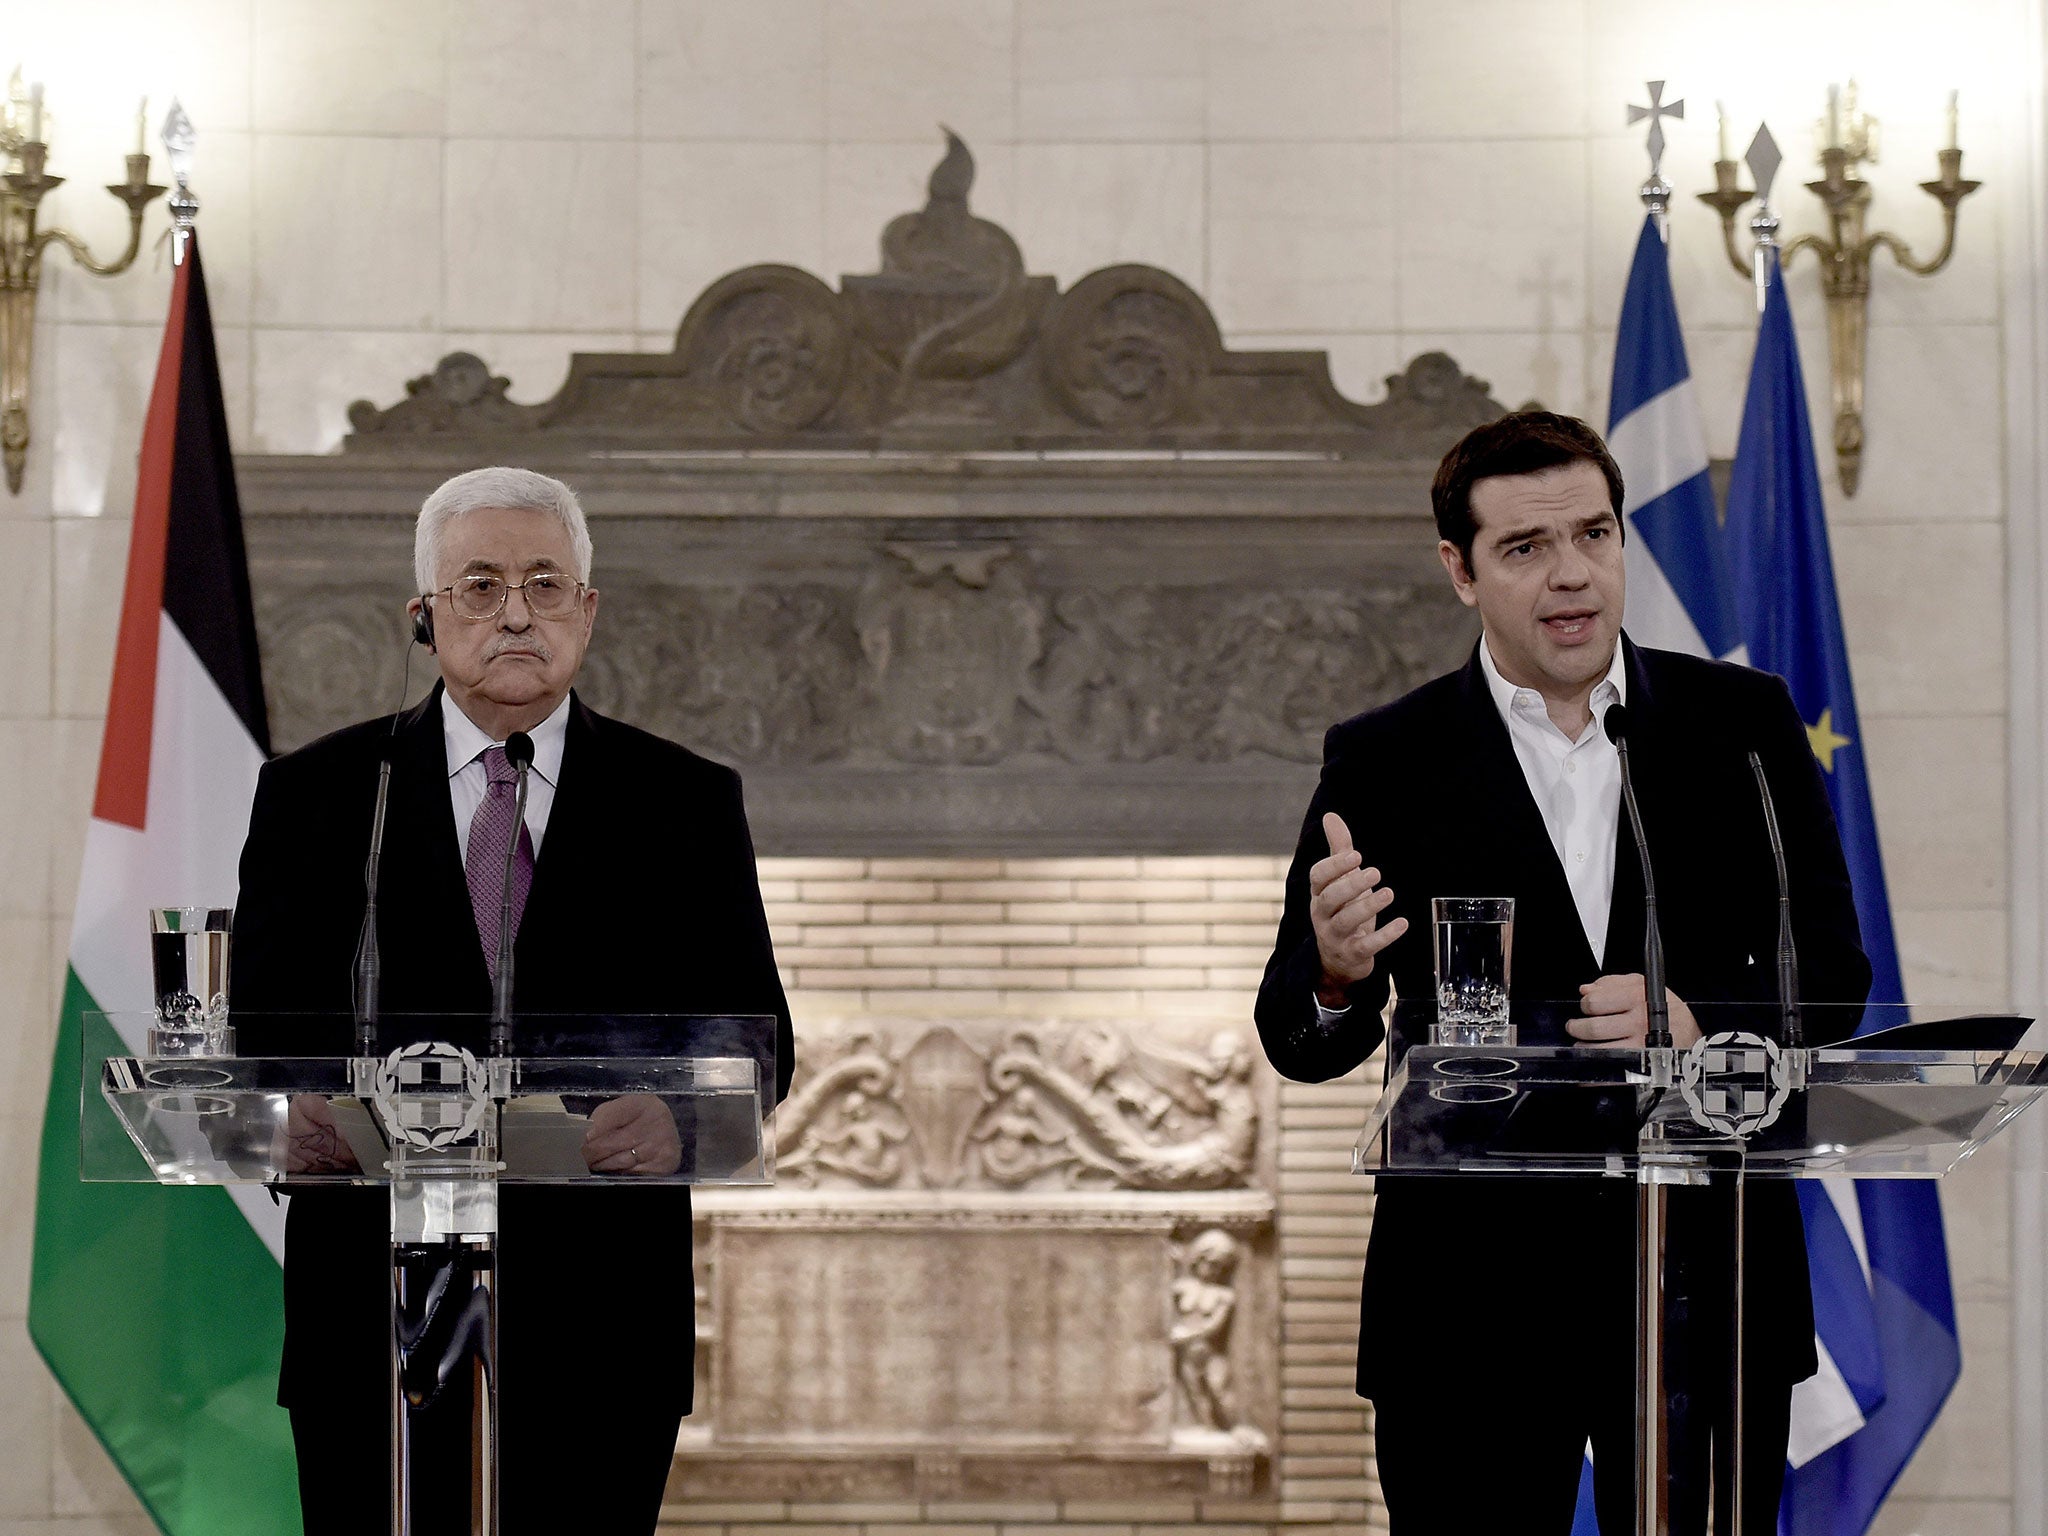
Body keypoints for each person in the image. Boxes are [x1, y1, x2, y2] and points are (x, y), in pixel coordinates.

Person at [1254, 411, 1870, 1535]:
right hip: (1468, 1303)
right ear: (1459, 570)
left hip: (1705, 1285)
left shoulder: (1740, 728)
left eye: (1593, 532)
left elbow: (1830, 973)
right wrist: (1336, 974)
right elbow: (1294, 1032)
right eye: (1525, 548)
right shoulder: (1387, 756)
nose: (1571, 574)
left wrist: (1691, 1016)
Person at [232, 466, 795, 1535]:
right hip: (371, 1313)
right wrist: (288, 1114)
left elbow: (758, 1043)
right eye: (479, 587)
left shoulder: (682, 801)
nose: (516, 614)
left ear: (586, 612)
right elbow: (261, 1034)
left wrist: (678, 1117)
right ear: (424, 618)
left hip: (602, 1320)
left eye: (545, 584)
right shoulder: (323, 794)